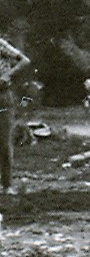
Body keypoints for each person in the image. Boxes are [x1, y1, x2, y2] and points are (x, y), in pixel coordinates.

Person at [0, 34, 32, 194]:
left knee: (5, 142)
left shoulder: (1, 45)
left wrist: (8, 75)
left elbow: (24, 60)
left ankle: (7, 185)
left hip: (2, 96)